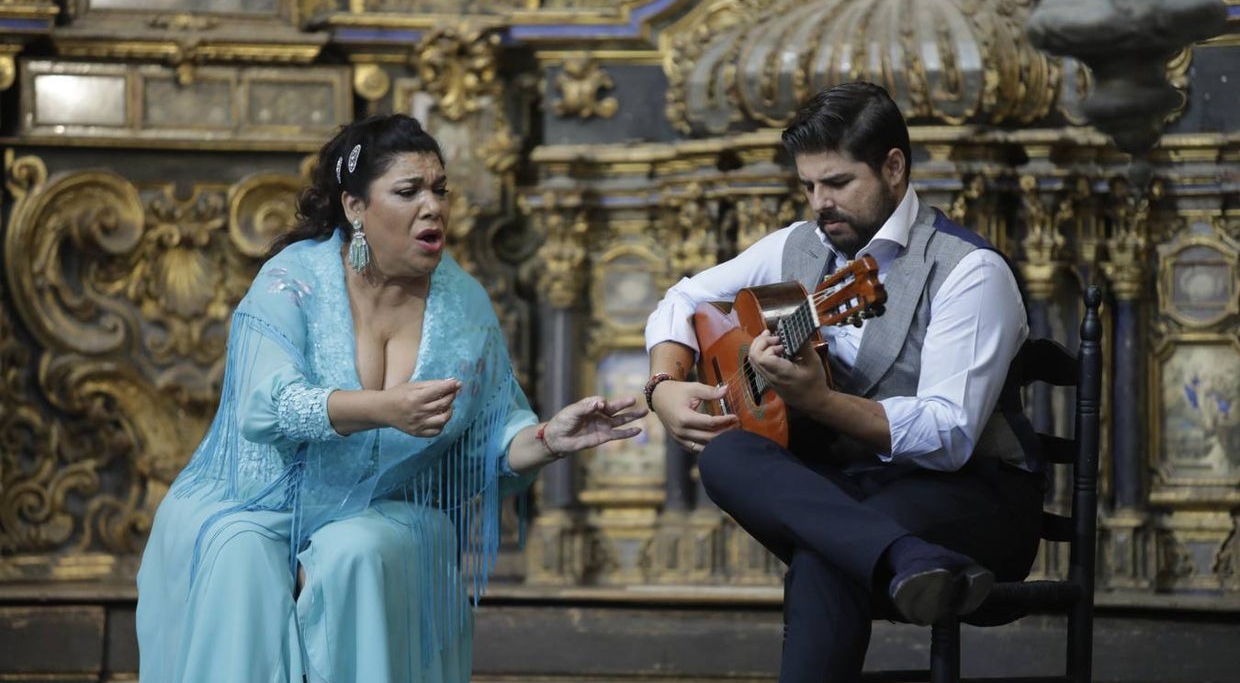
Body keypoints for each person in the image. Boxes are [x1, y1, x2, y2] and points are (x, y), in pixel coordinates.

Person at [137, 113, 645, 683]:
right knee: (239, 559)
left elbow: (491, 441)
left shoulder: (464, 308)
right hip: (257, 500)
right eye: (409, 191)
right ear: (355, 207)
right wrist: (384, 408)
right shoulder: (292, 280)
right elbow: (267, 405)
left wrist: (551, 438)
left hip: (376, 508)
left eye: (440, 190)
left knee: (358, 551)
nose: (433, 206)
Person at [643, 82, 1045, 682]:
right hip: (863, 495)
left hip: (976, 501)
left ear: (893, 167)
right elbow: (684, 297)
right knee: (726, 453)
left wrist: (819, 402)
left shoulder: (969, 271)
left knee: (825, 552)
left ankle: (900, 552)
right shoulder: (798, 247)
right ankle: (905, 557)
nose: (819, 203)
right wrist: (663, 387)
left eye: (837, 183)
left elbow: (950, 436)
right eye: (808, 186)